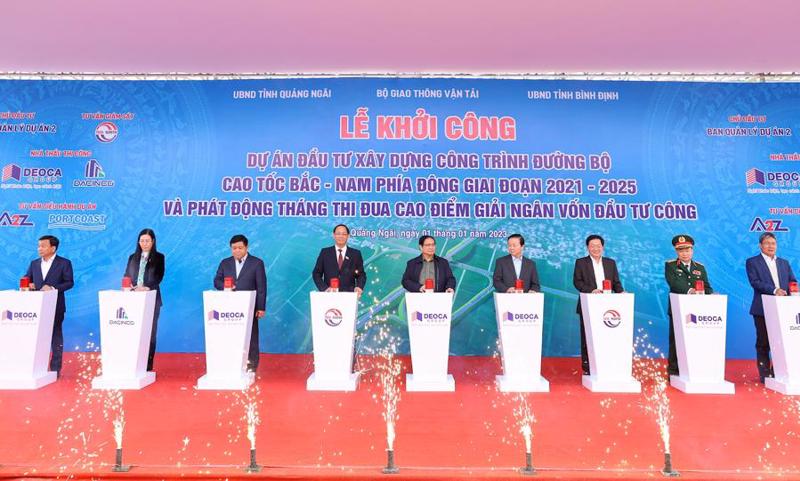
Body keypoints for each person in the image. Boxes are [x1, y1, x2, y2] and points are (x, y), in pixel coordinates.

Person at [745, 232, 797, 383]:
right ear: (760, 245)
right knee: (763, 342)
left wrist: (793, 290)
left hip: (784, 310)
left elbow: (792, 281)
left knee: (782, 342)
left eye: (773, 243)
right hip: (762, 308)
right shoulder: (752, 262)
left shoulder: (784, 263)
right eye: (767, 243)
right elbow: (755, 282)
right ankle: (765, 374)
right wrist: (775, 290)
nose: (770, 246)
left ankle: (778, 371)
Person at [213, 234, 267, 372]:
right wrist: (226, 288)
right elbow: (217, 281)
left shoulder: (257, 263)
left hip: (250, 306)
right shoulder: (225, 263)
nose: (237, 251)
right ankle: (231, 363)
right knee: (231, 335)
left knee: (252, 336)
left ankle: (251, 366)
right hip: (229, 306)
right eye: (234, 248)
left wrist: (261, 307)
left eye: (240, 248)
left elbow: (261, 287)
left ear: (246, 247)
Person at [572, 234, 623, 375]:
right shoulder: (581, 262)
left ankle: (607, 364)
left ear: (603, 247)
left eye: (598, 246)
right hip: (588, 305)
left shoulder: (610, 263)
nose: (595, 248)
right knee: (587, 336)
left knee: (606, 336)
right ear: (587, 247)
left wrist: (621, 292)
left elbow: (616, 283)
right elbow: (577, 282)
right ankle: (587, 367)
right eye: (592, 246)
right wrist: (592, 290)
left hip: (608, 307)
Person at [25, 235, 74, 377]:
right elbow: (27, 278)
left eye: (43, 246)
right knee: (36, 337)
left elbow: (69, 282)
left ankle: (55, 369)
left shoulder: (64, 263)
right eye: (39, 246)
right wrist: (28, 284)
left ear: (53, 248)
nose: (39, 249)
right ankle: (36, 367)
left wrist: (52, 287)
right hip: (36, 307)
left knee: (56, 336)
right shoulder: (34, 263)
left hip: (56, 306)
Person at [664, 234, 713, 376]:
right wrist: (691, 291)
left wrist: (710, 293)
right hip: (679, 309)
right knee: (676, 340)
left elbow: (707, 286)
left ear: (692, 250)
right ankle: (673, 371)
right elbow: (674, 283)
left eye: (687, 250)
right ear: (676, 252)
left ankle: (695, 369)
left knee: (696, 341)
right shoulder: (671, 265)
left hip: (698, 311)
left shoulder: (700, 267)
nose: (685, 253)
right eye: (681, 250)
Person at [124, 228, 165, 372]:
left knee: (150, 332)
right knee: (133, 331)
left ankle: (147, 366)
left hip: (151, 299)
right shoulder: (132, 257)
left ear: (153, 241)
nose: (144, 243)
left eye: (147, 241)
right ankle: (132, 363)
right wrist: (128, 285)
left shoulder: (159, 257)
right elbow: (127, 275)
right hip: (133, 300)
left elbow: (158, 277)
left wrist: (146, 287)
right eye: (142, 241)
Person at [312, 224, 366, 294]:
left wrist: (359, 287)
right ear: (334, 235)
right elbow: (316, 273)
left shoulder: (356, 254)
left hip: (349, 296)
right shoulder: (325, 252)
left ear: (348, 236)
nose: (341, 236)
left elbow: (361, 274)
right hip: (329, 295)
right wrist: (324, 288)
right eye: (338, 234)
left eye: (344, 234)